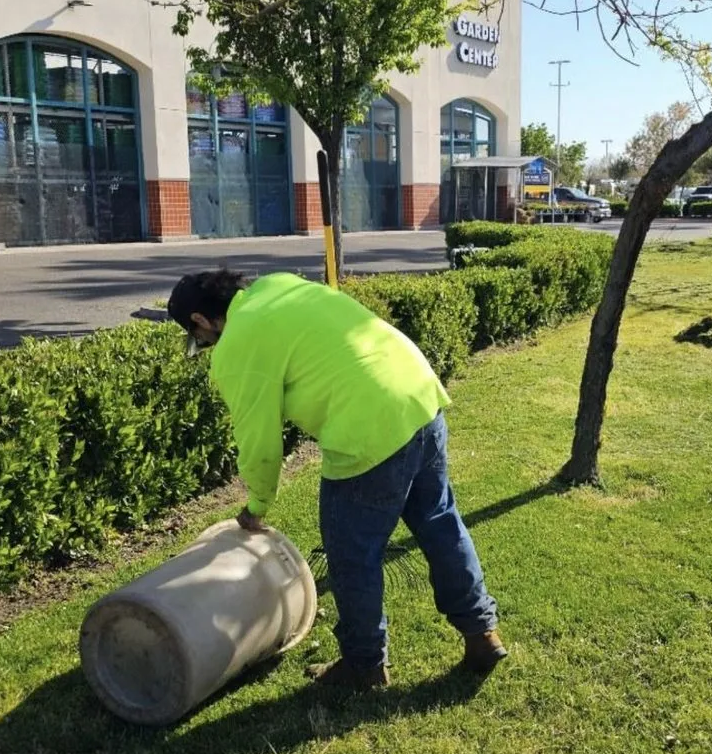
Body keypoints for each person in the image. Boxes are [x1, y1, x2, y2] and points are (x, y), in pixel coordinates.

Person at [167, 268, 506, 690]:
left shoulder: (236, 343)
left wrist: (256, 506)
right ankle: (481, 633)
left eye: (198, 337)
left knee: (352, 553)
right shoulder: (280, 285)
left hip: (367, 427)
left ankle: (364, 665)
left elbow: (259, 440)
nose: (204, 344)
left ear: (201, 321)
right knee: (440, 523)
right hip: (418, 397)